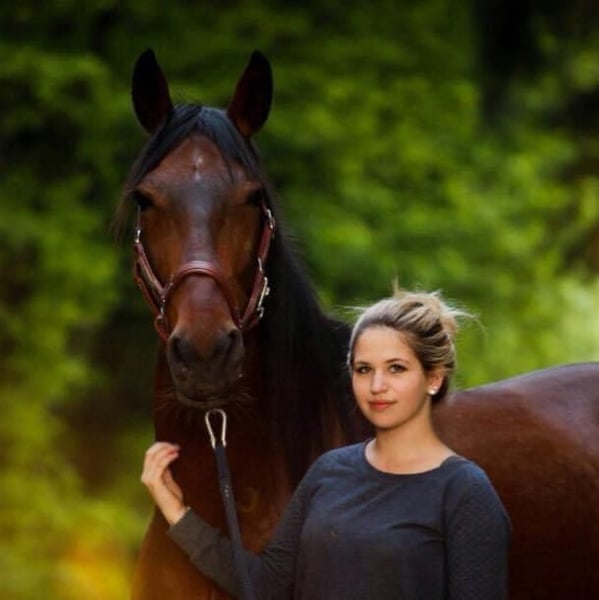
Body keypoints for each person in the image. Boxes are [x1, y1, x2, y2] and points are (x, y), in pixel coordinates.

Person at [142, 287, 511, 599]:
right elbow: (265, 585)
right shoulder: (329, 471)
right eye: (363, 369)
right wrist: (178, 514)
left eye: (396, 368)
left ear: (433, 378)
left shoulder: (464, 493)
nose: (376, 386)